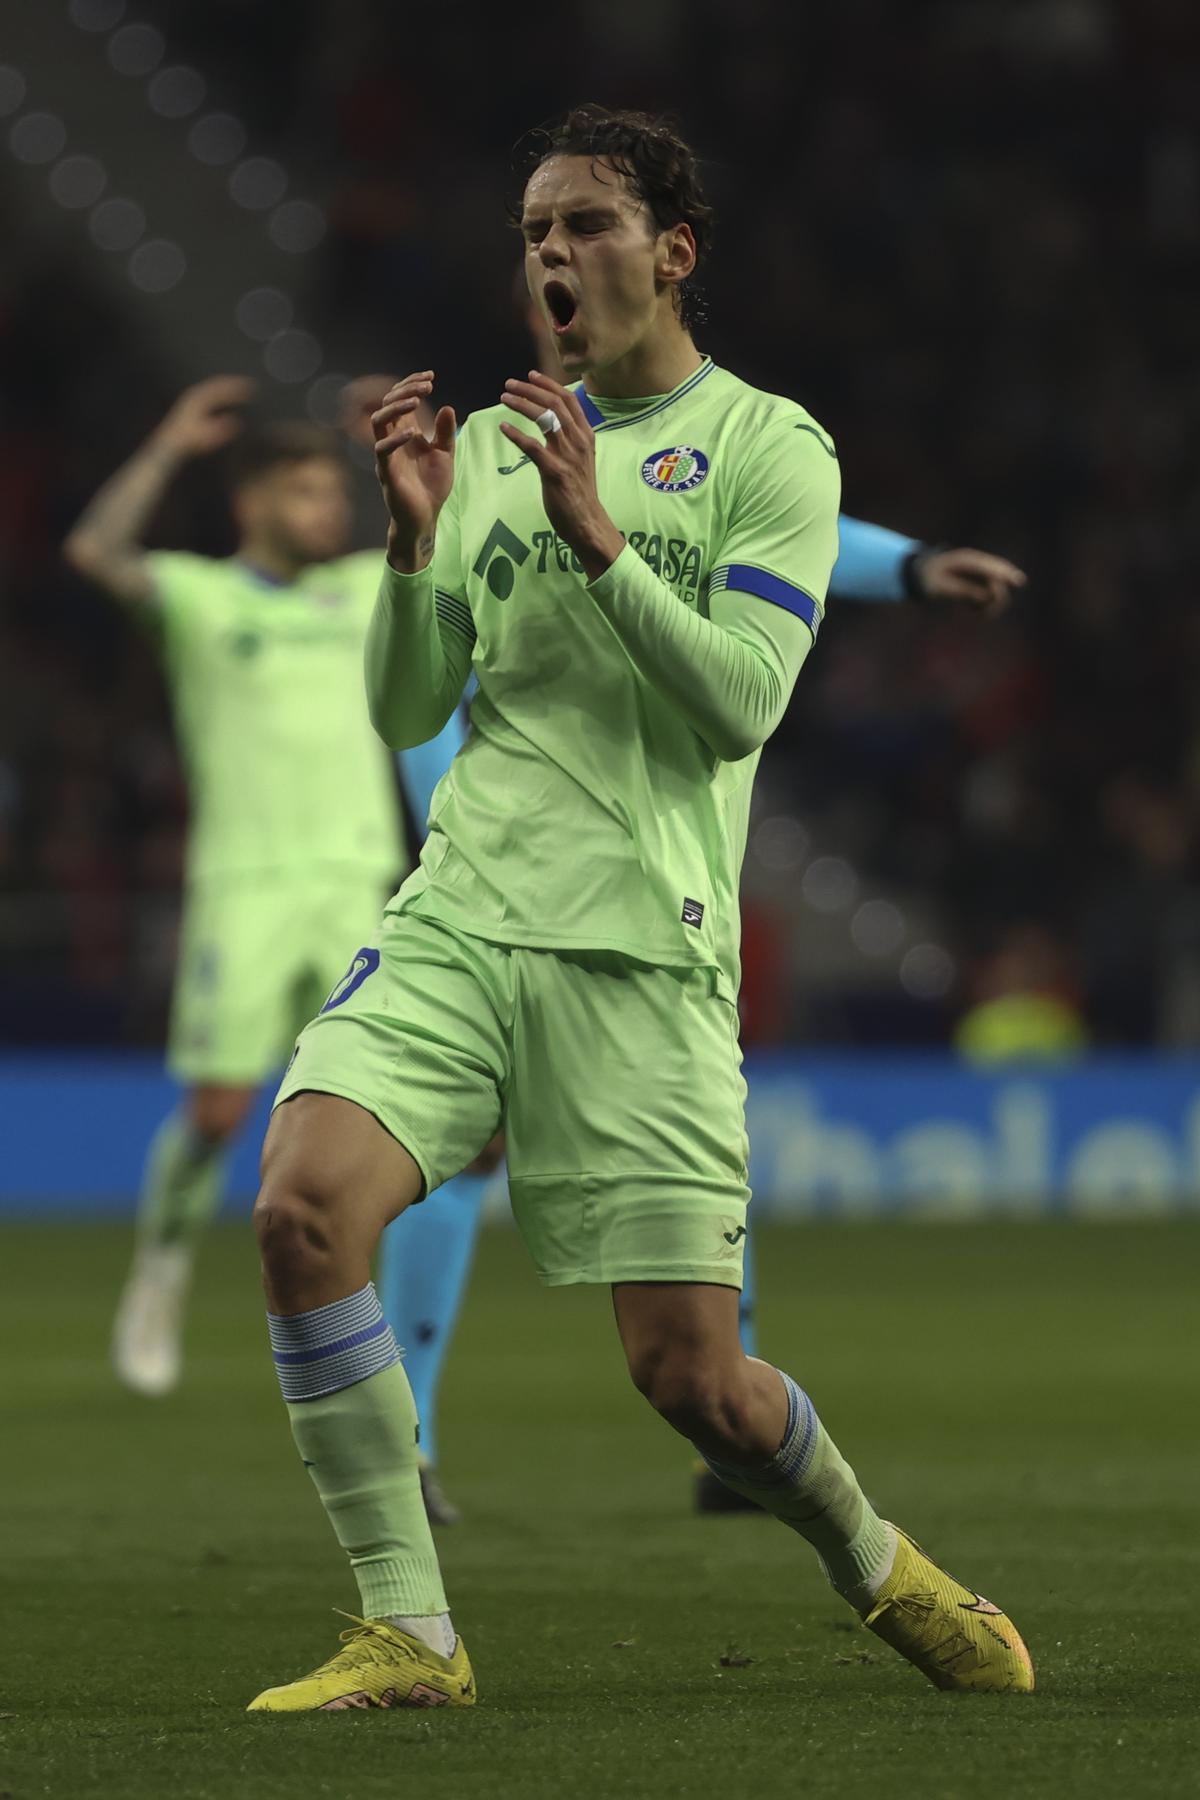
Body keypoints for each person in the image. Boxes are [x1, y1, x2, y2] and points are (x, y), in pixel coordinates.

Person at [247, 105, 1034, 1712]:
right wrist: (410, 541)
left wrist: (603, 540)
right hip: (466, 908)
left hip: (643, 945)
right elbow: (411, 712)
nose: (553, 253)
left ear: (672, 253)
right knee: (299, 1208)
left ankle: (878, 1562)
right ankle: (414, 1629)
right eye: (535, 229)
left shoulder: (768, 449)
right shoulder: (485, 452)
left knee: (699, 1386)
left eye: (587, 225)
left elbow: (740, 704)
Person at [63, 389, 405, 1398]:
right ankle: (160, 1268)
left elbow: (464, 531)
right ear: (251, 505)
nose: (327, 511)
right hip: (244, 886)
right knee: (218, 1113)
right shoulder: (202, 597)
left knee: (362, 1114)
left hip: (356, 881)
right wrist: (166, 447)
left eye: (331, 492)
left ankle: (343, 1325)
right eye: (303, 493)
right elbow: (96, 550)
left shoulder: (361, 587)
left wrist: (398, 451)